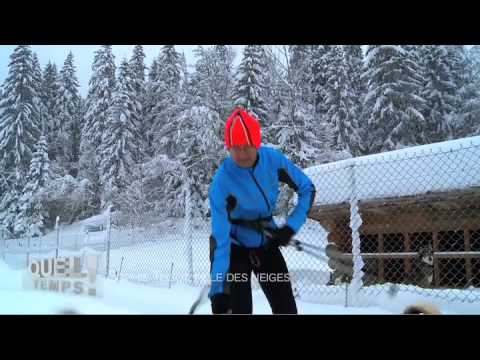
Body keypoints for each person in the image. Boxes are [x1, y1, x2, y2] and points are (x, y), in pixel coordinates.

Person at [208, 107, 316, 314]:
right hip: (234, 250)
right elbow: (220, 241)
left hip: (266, 242)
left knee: (286, 308)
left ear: (257, 143)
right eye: (235, 148)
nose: (241, 154)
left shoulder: (273, 161)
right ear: (228, 148)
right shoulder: (221, 182)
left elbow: (307, 188)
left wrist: (290, 227)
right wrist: (219, 290)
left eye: (247, 146)